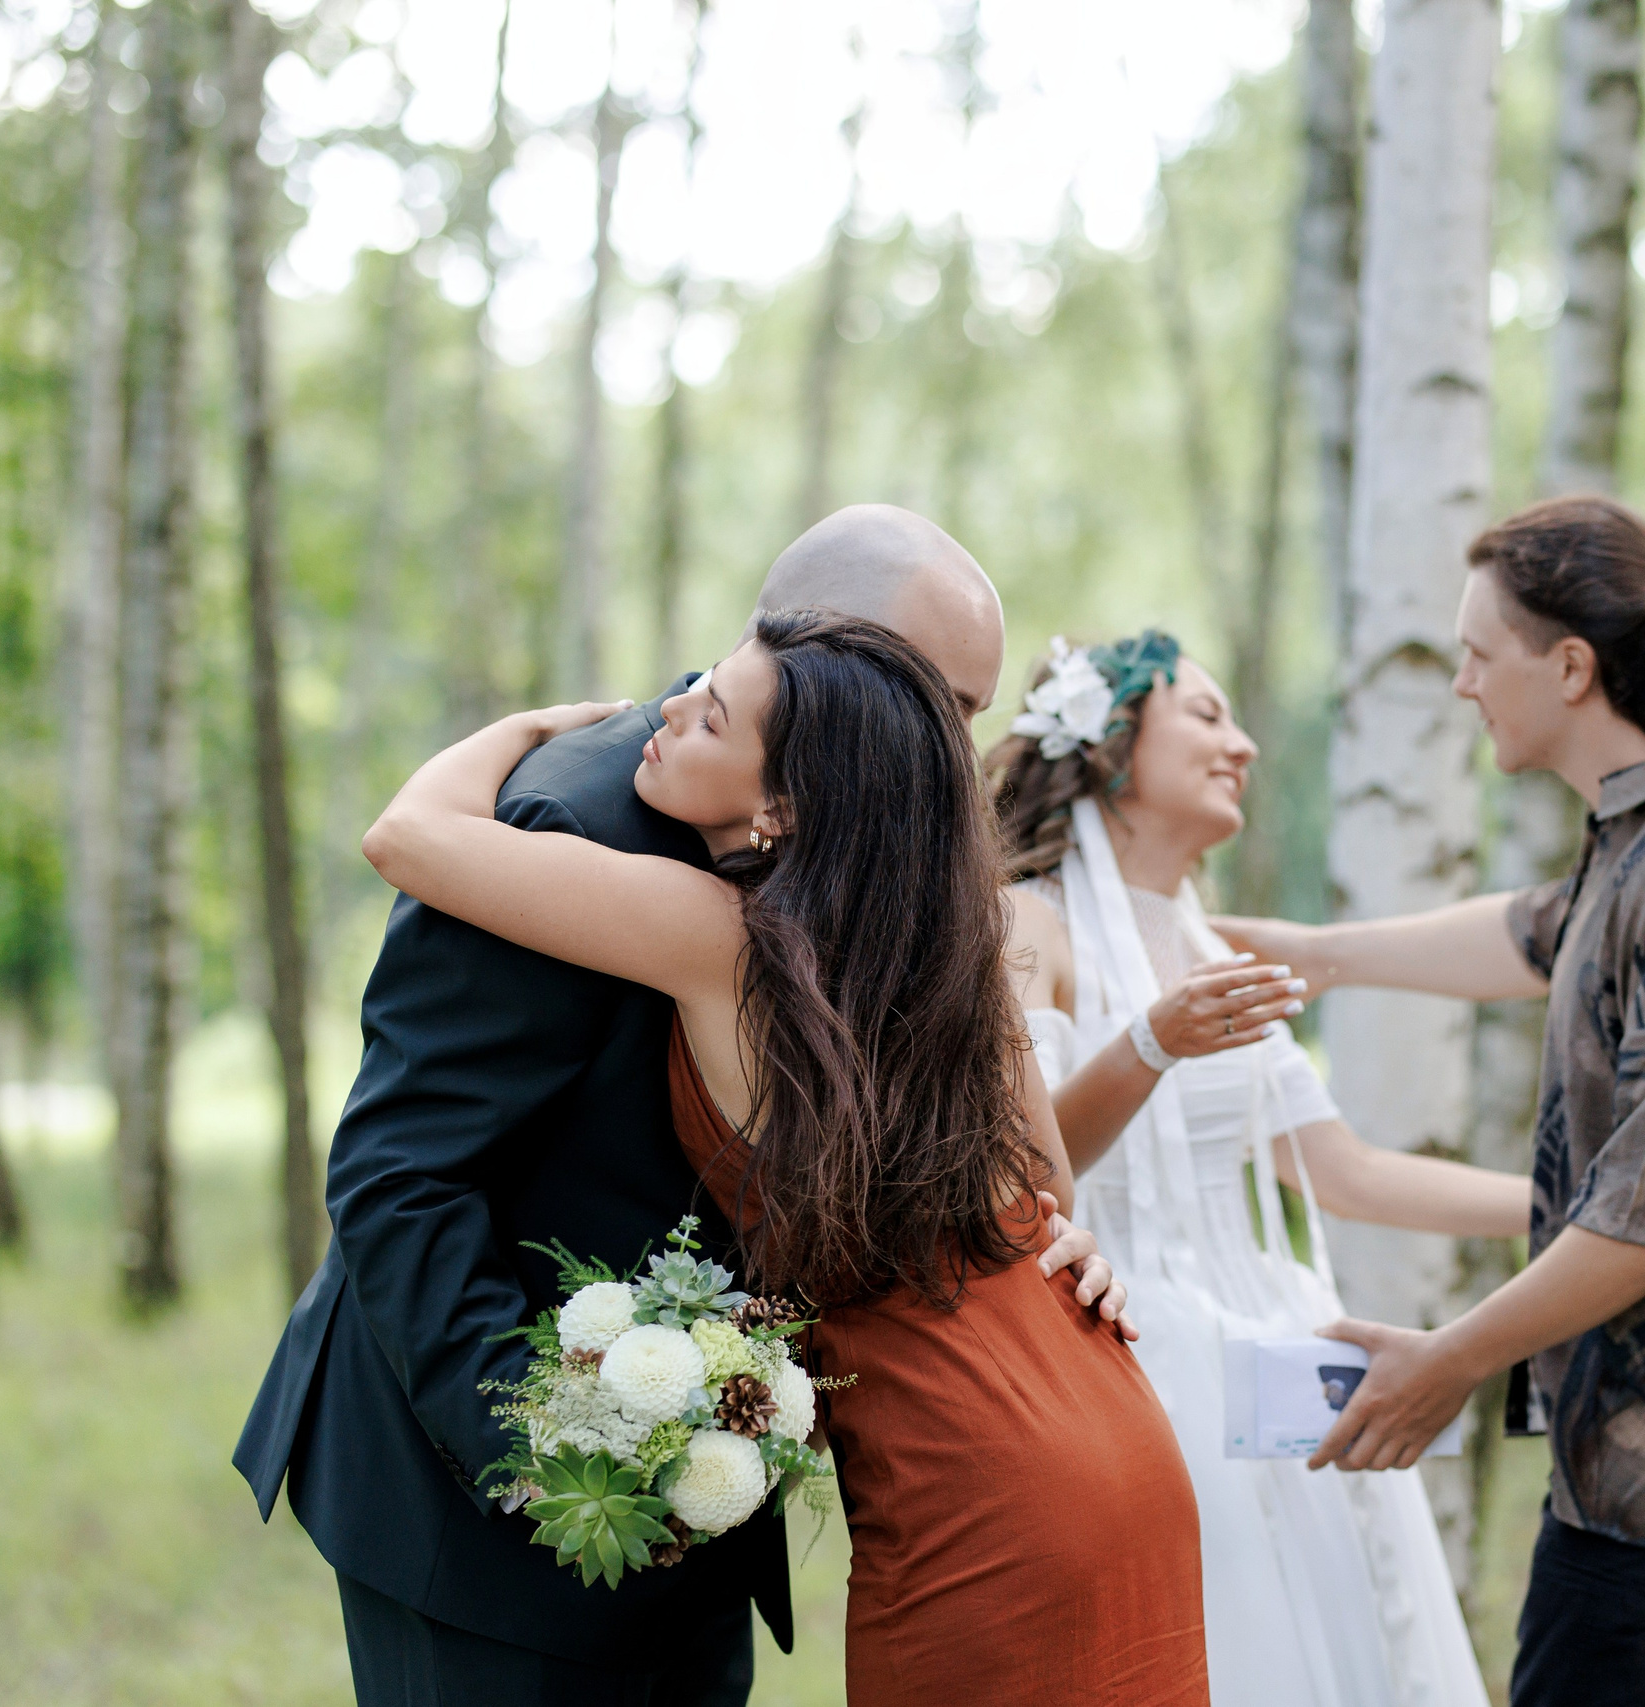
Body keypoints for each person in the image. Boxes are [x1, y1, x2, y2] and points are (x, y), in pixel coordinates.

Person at [233, 507, 1144, 1707]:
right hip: (482, 1517)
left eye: (969, 713)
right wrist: (542, 1452)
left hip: (720, 1496)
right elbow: (401, 1173)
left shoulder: (883, 870)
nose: (951, 747)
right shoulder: (566, 814)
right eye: (945, 701)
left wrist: (1042, 1241)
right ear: (829, 657)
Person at [1216, 497, 1645, 1707]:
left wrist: (1450, 1357)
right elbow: (1540, 936)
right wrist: (1315, 952)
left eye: (1481, 655)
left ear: (1570, 666)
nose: (1465, 684)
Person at [992, 631, 1525, 1707]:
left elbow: (1345, 1172)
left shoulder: (1216, 957)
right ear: (1107, 743)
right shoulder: (1020, 925)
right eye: (1206, 715)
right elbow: (1032, 1174)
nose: (1240, 745)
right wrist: (1150, 1042)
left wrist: (1578, 1213)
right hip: (1128, 1349)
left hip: (1279, 1347)